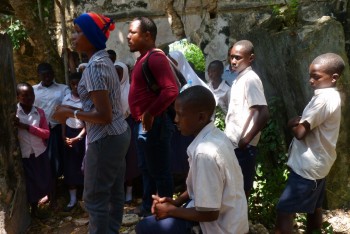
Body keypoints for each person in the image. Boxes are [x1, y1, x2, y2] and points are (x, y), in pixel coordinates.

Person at [53, 12, 130, 233]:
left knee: (95, 198)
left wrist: (70, 113)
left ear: (92, 36)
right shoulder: (102, 61)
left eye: (78, 32)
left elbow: (103, 115)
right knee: (114, 194)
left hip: (105, 138)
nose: (74, 37)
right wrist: (71, 110)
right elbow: (104, 110)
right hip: (118, 134)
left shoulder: (95, 67)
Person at [136, 86, 249, 234]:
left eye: (180, 115)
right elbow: (199, 185)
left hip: (220, 228)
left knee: (144, 228)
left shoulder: (205, 153)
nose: (176, 120)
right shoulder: (217, 136)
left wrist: (171, 211)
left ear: (201, 117)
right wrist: (176, 202)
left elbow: (210, 213)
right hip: (233, 222)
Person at [275, 53, 345, 234]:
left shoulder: (323, 100)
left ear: (334, 77)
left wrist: (292, 122)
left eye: (316, 77)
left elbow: (300, 132)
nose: (311, 81)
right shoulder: (331, 96)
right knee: (314, 207)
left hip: (308, 167)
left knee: (284, 210)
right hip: (319, 163)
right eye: (310, 75)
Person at [127, 16, 178, 216]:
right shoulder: (142, 58)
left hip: (154, 124)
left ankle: (167, 213)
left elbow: (171, 90)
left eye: (132, 32)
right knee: (147, 169)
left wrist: (150, 113)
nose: (128, 36)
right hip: (144, 124)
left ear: (147, 36)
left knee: (160, 171)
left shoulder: (154, 58)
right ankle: (150, 208)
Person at [224, 40, 269, 198]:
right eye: (231, 57)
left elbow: (263, 112)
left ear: (250, 58)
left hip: (243, 145)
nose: (234, 61)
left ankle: (241, 221)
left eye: (238, 57)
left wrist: (246, 139)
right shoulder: (239, 79)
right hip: (235, 143)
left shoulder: (250, 79)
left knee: (242, 188)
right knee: (233, 186)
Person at [33, 62, 69, 208]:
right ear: (39, 75)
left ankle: (58, 193)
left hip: (57, 130)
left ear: (53, 73)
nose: (47, 77)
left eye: (49, 73)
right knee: (43, 162)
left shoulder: (63, 89)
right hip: (39, 132)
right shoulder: (34, 90)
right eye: (44, 74)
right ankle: (46, 192)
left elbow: (67, 106)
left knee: (57, 162)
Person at [14, 82, 52, 217]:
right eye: (24, 95)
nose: (29, 98)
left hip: (39, 151)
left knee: (44, 177)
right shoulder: (14, 114)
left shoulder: (39, 112)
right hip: (25, 154)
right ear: (18, 97)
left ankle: (49, 202)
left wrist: (27, 127)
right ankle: (34, 209)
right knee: (31, 182)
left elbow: (46, 133)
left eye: (31, 94)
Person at [114, 61, 140, 204]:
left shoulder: (131, 89)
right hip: (113, 126)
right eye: (115, 73)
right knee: (117, 160)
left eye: (119, 73)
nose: (117, 76)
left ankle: (129, 192)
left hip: (128, 124)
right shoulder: (110, 89)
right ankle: (119, 191)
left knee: (129, 158)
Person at [61, 72, 86, 212]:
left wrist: (79, 138)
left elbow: (89, 123)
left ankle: (84, 196)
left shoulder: (87, 99)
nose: (76, 87)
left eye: (78, 84)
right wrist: (64, 136)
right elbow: (63, 119)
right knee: (70, 166)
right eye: (73, 84)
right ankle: (72, 198)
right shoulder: (66, 99)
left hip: (82, 135)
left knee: (84, 165)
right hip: (69, 133)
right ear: (70, 85)